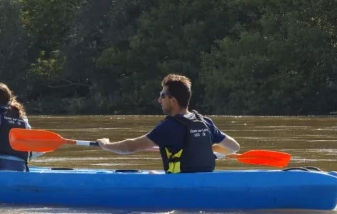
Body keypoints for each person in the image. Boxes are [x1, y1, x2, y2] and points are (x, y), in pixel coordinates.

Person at [96, 74, 239, 173]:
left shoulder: (169, 127)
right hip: (204, 181)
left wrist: (106, 145)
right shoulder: (205, 122)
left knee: (152, 174)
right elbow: (234, 147)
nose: (159, 100)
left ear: (173, 100)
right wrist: (208, 150)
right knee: (153, 173)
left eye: (162, 96)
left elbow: (130, 147)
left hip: (179, 183)